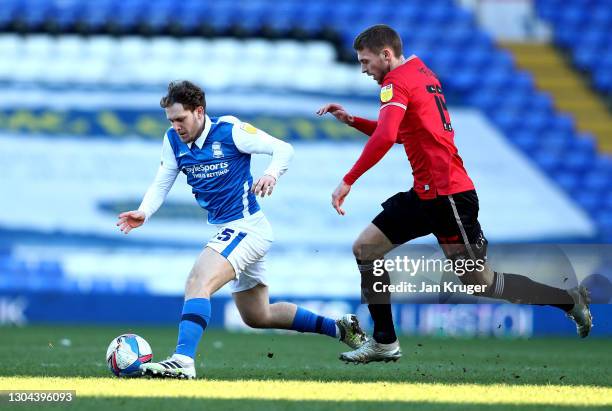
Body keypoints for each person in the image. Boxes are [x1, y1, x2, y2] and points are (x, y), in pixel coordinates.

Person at [317, 25, 592, 364]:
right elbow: (403, 133)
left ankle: (568, 299)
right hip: (426, 195)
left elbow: (388, 136)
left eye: (366, 61)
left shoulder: (396, 83)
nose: (363, 69)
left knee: (481, 282)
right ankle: (384, 341)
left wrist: (348, 180)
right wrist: (354, 120)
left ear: (386, 55)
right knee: (365, 248)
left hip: (448, 196)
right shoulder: (420, 72)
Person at [117, 80, 366, 379]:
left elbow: (283, 149)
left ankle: (183, 360)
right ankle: (339, 327)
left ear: (199, 111)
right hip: (234, 230)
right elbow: (162, 181)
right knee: (258, 315)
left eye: (180, 119)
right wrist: (144, 211)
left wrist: (272, 174)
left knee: (198, 280)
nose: (176, 126)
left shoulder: (230, 131)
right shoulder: (173, 141)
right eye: (171, 120)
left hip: (247, 228)